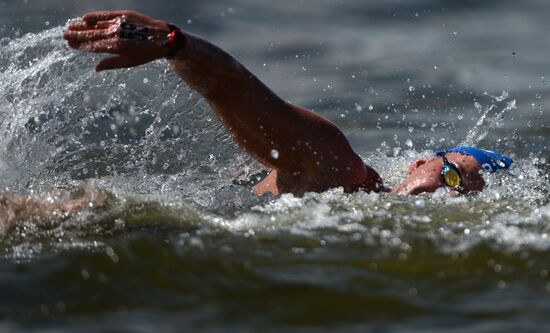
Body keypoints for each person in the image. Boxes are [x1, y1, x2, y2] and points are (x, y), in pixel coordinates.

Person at [63, 11, 513, 197]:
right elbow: (230, 86)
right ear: (417, 165)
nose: (447, 197)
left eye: (462, 199)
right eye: (451, 176)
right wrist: (173, 43)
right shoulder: (337, 166)